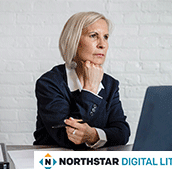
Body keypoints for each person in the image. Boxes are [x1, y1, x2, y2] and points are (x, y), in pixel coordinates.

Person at [33, 11, 130, 149]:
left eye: (106, 37)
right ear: (74, 40)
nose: (102, 44)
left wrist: (95, 136)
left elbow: (122, 133)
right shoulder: (49, 83)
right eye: (93, 36)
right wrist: (90, 89)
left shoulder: (110, 84)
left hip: (96, 165)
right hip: (54, 165)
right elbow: (69, 138)